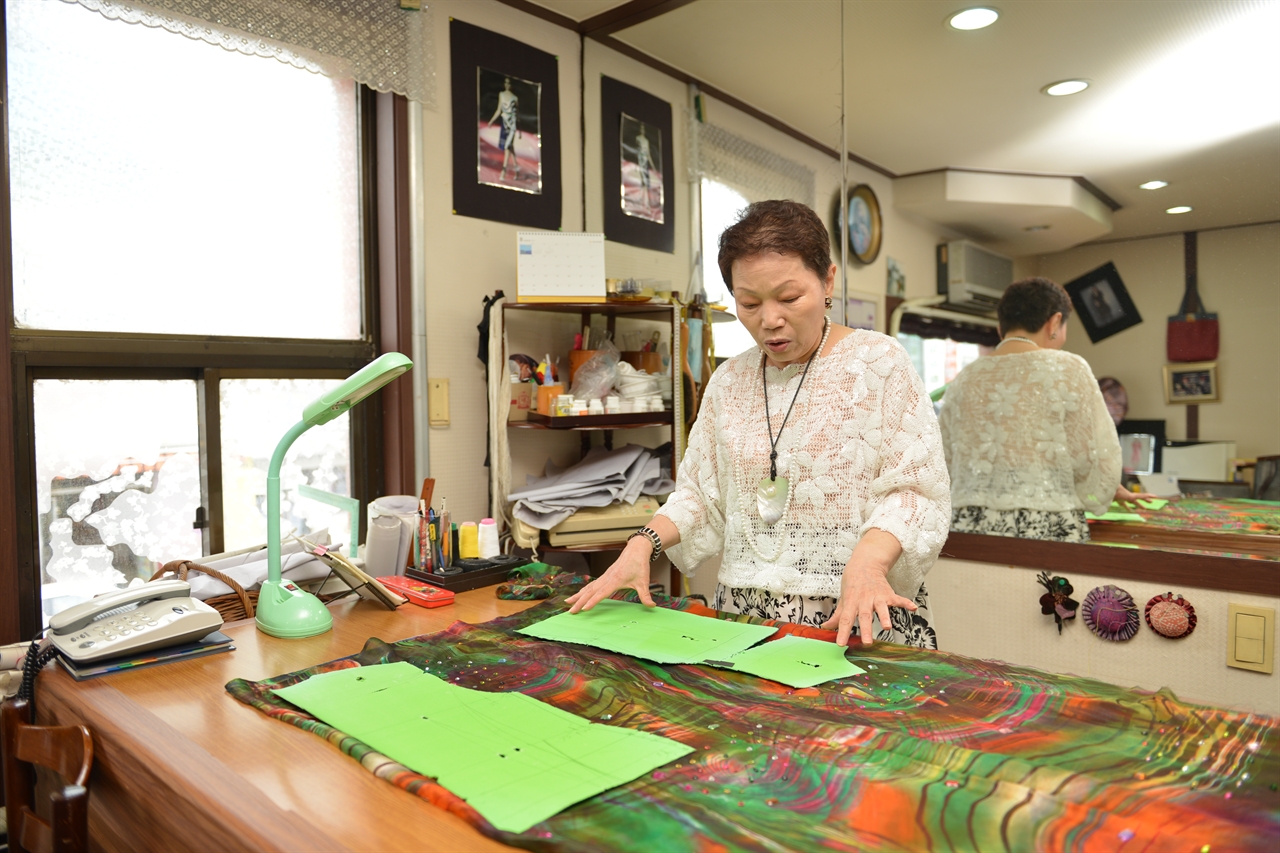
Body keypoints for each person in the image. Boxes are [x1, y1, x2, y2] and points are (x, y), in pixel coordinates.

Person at [567, 200, 952, 648]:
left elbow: (914, 490)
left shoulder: (879, 363)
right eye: (749, 303)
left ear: (828, 280)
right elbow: (699, 495)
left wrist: (868, 563)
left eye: (789, 298)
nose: (769, 320)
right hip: (746, 617)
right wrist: (641, 544)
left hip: (856, 611)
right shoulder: (730, 379)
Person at [938, 277, 1147, 543]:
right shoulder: (1069, 368)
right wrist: (1103, 488)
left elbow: (944, 460)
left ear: (1001, 327)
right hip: (1047, 524)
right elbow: (1092, 456)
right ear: (1055, 322)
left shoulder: (964, 378)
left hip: (968, 526)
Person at [487, 77, 520, 181]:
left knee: (507, 146)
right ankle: (516, 169)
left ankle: (504, 171)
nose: (507, 85)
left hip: (512, 125)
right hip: (504, 123)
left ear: (512, 85)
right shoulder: (501, 94)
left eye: (509, 83)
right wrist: (492, 121)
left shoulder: (515, 98)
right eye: (506, 83)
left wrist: (520, 130)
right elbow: (498, 110)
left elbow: (517, 114)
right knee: (510, 147)